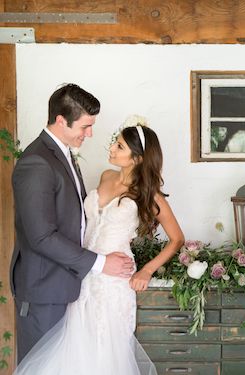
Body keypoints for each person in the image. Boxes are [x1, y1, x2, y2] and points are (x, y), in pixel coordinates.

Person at [14, 118, 184, 374]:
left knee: (105, 349)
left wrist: (146, 270)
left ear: (137, 158)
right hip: (83, 272)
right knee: (75, 346)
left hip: (114, 281)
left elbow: (177, 239)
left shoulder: (149, 194)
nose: (111, 149)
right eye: (115, 143)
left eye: (120, 146)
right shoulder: (106, 176)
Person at [10, 84, 136, 363]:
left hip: (67, 285)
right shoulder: (37, 162)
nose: (90, 133)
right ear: (60, 120)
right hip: (45, 292)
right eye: (85, 126)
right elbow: (41, 237)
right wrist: (101, 263)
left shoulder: (62, 152)